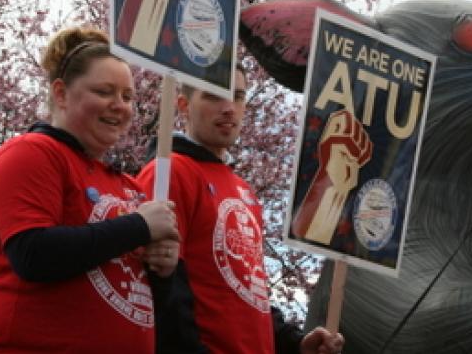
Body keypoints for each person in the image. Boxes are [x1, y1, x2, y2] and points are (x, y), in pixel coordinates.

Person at [0, 26, 179, 353]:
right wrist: (139, 226)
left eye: (128, 97)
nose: (119, 105)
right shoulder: (30, 154)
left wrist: (164, 270)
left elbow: (143, 300)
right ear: (60, 93)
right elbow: (33, 254)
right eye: (104, 92)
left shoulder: (127, 186)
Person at [136, 64, 345, 354]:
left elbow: (248, 289)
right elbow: (162, 288)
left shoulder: (243, 189)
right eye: (213, 96)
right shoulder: (168, 173)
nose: (228, 108)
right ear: (183, 104)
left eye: (237, 96)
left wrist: (294, 343)